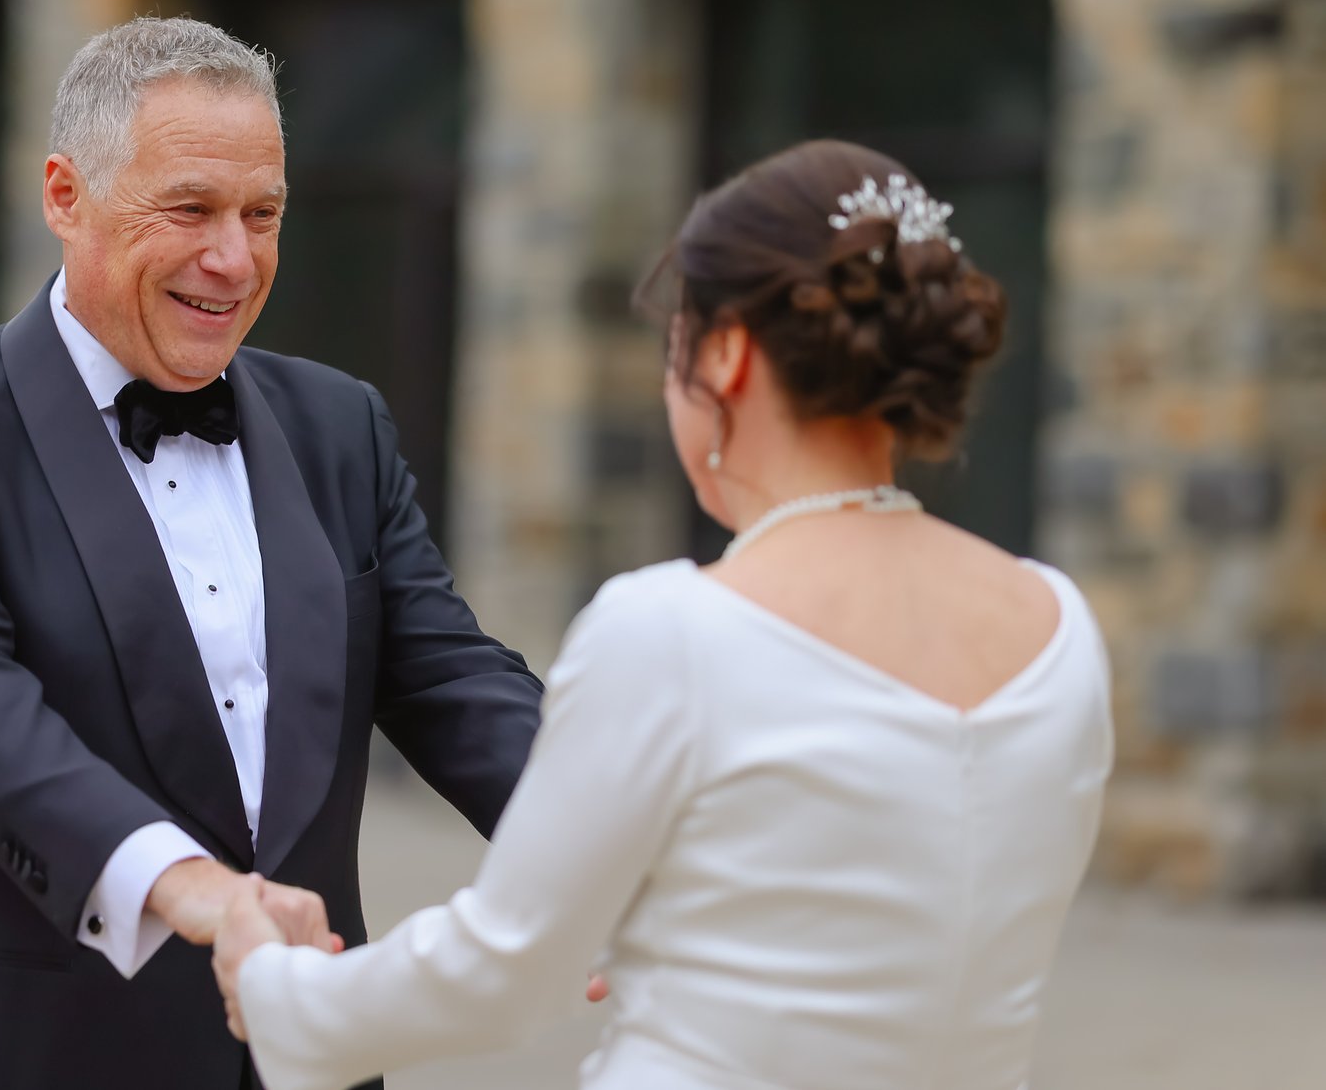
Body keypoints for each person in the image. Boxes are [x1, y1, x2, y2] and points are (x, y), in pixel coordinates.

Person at [217, 138, 1115, 1090]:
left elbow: (505, 972)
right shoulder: (1059, 624)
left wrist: (280, 989)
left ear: (726, 354)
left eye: (674, 343)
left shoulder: (671, 629)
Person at [0, 16, 547, 1090]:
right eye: (191, 209)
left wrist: (612, 855)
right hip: (3, 1051)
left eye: (262, 214)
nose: (233, 259)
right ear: (65, 195)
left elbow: (451, 677)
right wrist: (190, 886)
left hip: (291, 1056)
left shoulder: (340, 422)